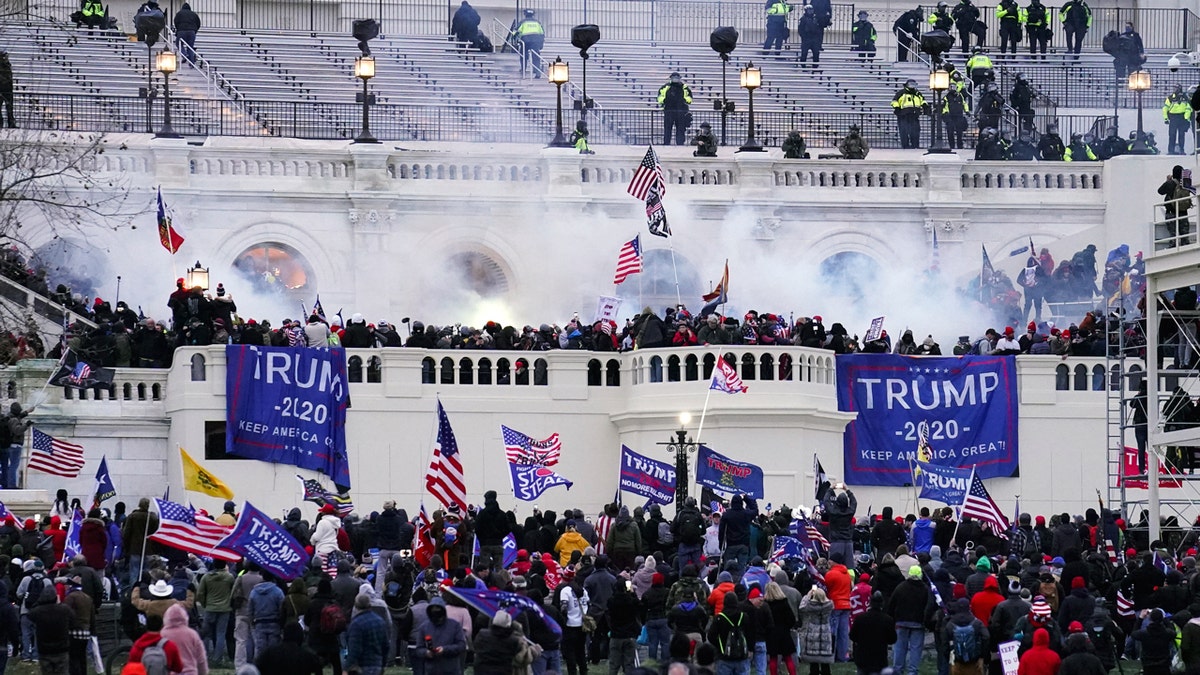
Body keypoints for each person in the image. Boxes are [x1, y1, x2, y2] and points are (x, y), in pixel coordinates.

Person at [887, 566, 931, 675]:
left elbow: (891, 604)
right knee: (916, 649)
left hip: (901, 621)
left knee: (899, 648)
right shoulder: (925, 589)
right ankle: (912, 671)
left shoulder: (901, 587)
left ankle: (897, 670)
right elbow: (928, 606)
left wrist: (891, 619)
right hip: (918, 622)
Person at [197, 559, 234, 668]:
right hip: (224, 609)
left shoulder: (206, 577)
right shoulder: (229, 577)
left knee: (206, 634)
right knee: (221, 634)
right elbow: (233, 592)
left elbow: (200, 593)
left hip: (210, 608)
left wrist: (205, 604)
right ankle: (218, 658)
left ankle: (204, 656)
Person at [28, 586, 70, 675]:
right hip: (61, 648)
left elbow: (30, 614)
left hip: (44, 650)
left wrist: (39, 601)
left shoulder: (38, 611)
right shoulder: (64, 610)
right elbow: (73, 619)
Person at [850, 592, 895, 675]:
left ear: (870, 603)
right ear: (882, 604)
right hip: (880, 659)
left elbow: (852, 636)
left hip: (862, 658)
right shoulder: (887, 620)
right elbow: (892, 639)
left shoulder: (860, 618)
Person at [254, 622, 322, 675]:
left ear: (284, 635)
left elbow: (256, 668)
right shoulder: (308, 656)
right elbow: (318, 669)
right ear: (301, 636)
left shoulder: (268, 653)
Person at [709, 591, 751, 675]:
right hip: (741, 656)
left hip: (724, 657)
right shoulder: (744, 616)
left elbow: (711, 636)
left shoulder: (719, 618)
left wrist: (720, 646)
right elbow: (750, 634)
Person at [797, 587, 834, 675]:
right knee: (825, 658)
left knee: (813, 658)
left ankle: (814, 672)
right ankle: (826, 672)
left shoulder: (810, 606)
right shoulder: (829, 605)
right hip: (825, 631)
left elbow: (802, 607)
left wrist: (808, 595)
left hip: (813, 631)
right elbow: (827, 601)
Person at [657, 72, 693, 146]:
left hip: (681, 112)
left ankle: (680, 144)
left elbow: (689, 98)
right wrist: (664, 101)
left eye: (677, 78)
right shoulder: (665, 87)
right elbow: (660, 97)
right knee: (667, 129)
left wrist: (684, 100)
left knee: (680, 129)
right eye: (674, 78)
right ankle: (666, 143)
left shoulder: (684, 87)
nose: (675, 79)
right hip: (669, 111)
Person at [891, 80, 927, 149]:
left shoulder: (917, 93)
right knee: (904, 131)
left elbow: (923, 100)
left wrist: (925, 106)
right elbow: (894, 101)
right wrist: (897, 108)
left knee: (915, 132)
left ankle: (915, 146)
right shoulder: (901, 93)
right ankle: (905, 146)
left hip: (914, 115)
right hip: (903, 115)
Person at [2, 402, 30, 490]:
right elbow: (17, 430)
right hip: (15, 445)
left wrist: (27, 412)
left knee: (10, 465)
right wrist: (26, 425)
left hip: (11, 445)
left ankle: (8, 483)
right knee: (14, 465)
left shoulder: (9, 418)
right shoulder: (14, 420)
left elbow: (18, 417)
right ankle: (11, 484)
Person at [510, 9, 544, 78]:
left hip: (525, 41)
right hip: (536, 41)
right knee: (536, 56)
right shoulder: (537, 22)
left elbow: (515, 31)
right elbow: (542, 33)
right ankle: (537, 72)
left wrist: (513, 38)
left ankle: (523, 69)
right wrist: (541, 44)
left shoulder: (523, 22)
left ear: (525, 14)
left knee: (523, 55)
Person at [1164, 84, 1192, 155]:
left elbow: (1188, 108)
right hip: (1173, 118)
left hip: (1182, 117)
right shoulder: (1170, 98)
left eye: (1175, 88)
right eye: (1173, 88)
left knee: (1181, 135)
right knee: (1172, 134)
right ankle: (1171, 151)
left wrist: (1186, 118)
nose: (1174, 89)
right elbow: (1165, 108)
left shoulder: (1185, 98)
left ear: (1179, 89)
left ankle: (1181, 150)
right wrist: (1166, 118)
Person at [942, 84, 970, 150]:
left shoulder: (960, 95)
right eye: (951, 87)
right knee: (950, 132)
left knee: (959, 132)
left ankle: (960, 146)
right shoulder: (947, 97)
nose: (953, 89)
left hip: (959, 116)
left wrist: (967, 111)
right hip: (951, 116)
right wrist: (946, 113)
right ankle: (952, 146)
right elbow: (945, 106)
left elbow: (964, 104)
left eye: (954, 87)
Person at [0, 50, 14, 129]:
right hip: (2, 89)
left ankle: (11, 123)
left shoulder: (7, 65)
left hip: (8, 89)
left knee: (10, 108)